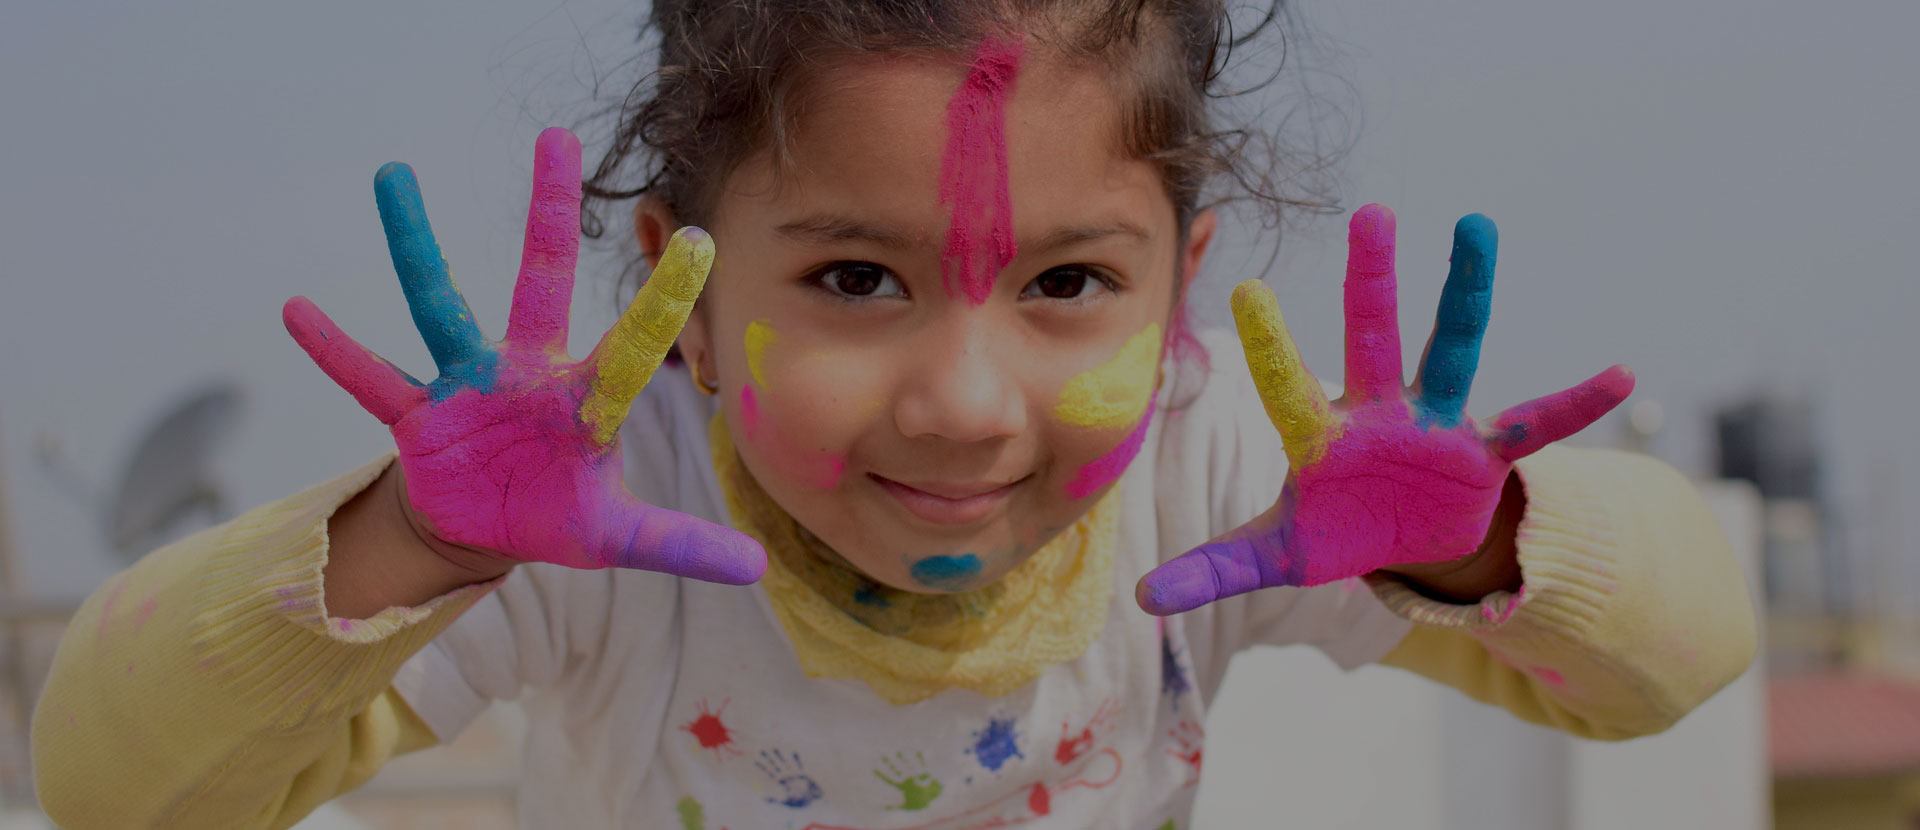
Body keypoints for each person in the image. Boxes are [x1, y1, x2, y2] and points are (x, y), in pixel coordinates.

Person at [30, 1, 1756, 827]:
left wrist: (1479, 545)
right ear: (684, 290)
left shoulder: (1222, 463)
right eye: (856, 279)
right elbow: (110, 781)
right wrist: (409, 540)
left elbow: (1682, 657)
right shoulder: (591, 506)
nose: (964, 400)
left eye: (1070, 283)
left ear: (1182, 282)